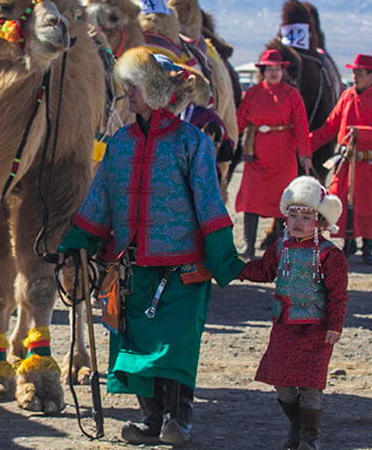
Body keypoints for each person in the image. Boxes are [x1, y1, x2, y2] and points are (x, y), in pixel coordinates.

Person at [58, 48, 244, 446]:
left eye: (137, 86)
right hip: (131, 268)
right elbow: (99, 201)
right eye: (128, 86)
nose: (129, 94)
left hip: (183, 271)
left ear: (159, 90)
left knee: (174, 345)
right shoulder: (120, 144)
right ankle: (150, 418)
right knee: (137, 343)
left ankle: (180, 417)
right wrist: (76, 242)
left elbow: (210, 203)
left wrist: (225, 260)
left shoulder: (192, 143)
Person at [238, 176, 347, 450]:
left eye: (306, 216)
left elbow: (337, 295)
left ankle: (309, 440)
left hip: (315, 332)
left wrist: (335, 326)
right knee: (283, 385)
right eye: (293, 215)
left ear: (320, 222)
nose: (298, 222)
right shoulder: (281, 248)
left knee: (310, 387)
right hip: (284, 328)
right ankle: (296, 428)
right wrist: (233, 268)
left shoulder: (330, 256)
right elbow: (263, 271)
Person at [309, 53, 372, 264]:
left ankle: (367, 246)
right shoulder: (347, 96)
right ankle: (347, 243)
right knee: (341, 200)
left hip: (370, 162)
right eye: (354, 72)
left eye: (359, 72)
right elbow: (330, 126)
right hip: (346, 160)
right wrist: (305, 145)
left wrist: (361, 133)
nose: (355, 76)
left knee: (368, 204)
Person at [235, 48, 312, 259]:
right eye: (270, 69)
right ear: (263, 71)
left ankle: (281, 247)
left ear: (282, 71)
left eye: (277, 69)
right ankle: (248, 245)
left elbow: (301, 126)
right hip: (256, 156)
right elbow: (239, 121)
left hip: (283, 157)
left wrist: (305, 155)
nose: (274, 73)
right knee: (251, 200)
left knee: (283, 203)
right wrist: (227, 140)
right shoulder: (252, 93)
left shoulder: (291, 94)